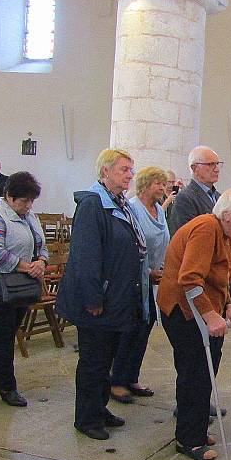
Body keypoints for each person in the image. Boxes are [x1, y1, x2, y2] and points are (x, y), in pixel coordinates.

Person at [56, 149, 147, 440]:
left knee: (106, 358)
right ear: (105, 172)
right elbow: (86, 257)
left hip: (117, 297)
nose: (130, 176)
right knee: (93, 361)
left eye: (131, 170)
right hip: (98, 301)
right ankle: (86, 418)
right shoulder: (93, 204)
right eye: (124, 170)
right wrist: (93, 298)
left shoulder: (118, 203)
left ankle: (100, 407)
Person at [157, 188, 231, 460]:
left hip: (206, 310)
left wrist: (228, 303)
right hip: (184, 313)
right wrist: (211, 316)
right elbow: (189, 279)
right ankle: (187, 439)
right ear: (228, 213)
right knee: (193, 375)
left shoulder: (224, 233)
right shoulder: (206, 229)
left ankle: (196, 430)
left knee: (204, 375)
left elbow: (222, 274)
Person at [0, 172, 48, 407]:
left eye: (31, 201)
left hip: (22, 286)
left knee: (5, 331)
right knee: (6, 335)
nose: (27, 206)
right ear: (9, 196)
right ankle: (7, 386)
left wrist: (41, 262)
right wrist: (26, 266)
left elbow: (41, 244)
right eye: (23, 201)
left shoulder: (30, 216)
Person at [109, 166, 171, 403]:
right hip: (135, 279)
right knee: (129, 331)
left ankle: (131, 377)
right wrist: (146, 272)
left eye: (164, 184)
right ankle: (116, 381)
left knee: (143, 330)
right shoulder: (133, 208)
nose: (163, 189)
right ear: (145, 185)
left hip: (153, 279)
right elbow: (127, 248)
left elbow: (164, 239)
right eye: (159, 184)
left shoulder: (158, 209)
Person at [168, 146, 231, 286]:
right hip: (203, 280)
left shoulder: (220, 197)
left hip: (224, 278)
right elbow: (186, 240)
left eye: (217, 164)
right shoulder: (185, 198)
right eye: (210, 164)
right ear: (194, 168)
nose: (216, 168)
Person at [162, 169, 182, 235]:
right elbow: (158, 214)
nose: (170, 185)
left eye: (173, 182)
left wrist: (184, 189)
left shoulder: (178, 195)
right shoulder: (159, 196)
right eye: (168, 182)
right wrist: (168, 201)